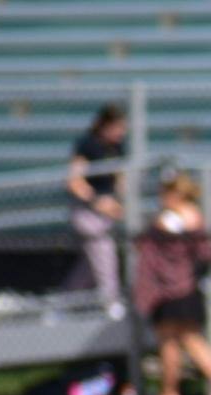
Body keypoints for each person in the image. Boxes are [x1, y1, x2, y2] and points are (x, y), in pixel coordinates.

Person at [133, 173, 211, 395]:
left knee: (169, 342)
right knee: (192, 339)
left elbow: (150, 243)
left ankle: (170, 393)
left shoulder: (172, 219)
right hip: (189, 286)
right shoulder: (195, 216)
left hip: (170, 289)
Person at [66, 105, 128, 316]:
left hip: (106, 211)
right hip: (87, 211)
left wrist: (118, 202)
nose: (120, 132)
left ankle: (66, 304)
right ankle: (111, 302)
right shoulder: (88, 145)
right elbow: (75, 182)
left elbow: (120, 179)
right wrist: (97, 201)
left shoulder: (117, 147)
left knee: (90, 266)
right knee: (103, 251)